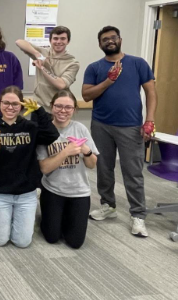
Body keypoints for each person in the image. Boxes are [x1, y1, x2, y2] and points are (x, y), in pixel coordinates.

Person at [82, 26, 157, 237]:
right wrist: (108, 81)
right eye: (105, 39)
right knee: (104, 168)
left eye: (113, 38)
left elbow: (151, 92)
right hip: (101, 125)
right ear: (100, 44)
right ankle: (108, 206)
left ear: (120, 39)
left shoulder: (137, 63)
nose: (109, 41)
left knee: (132, 171)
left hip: (131, 126)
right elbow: (86, 95)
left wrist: (149, 120)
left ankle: (138, 215)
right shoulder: (94, 67)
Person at [0, 86, 59, 248]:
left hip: (26, 193)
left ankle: (8, 219)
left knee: (22, 242)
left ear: (22, 106)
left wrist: (39, 110)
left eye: (15, 104)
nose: (10, 107)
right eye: (6, 103)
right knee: (0, 240)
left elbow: (53, 135)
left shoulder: (30, 127)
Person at [36, 91, 99, 248]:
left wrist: (87, 151)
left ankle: (64, 217)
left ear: (74, 109)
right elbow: (44, 168)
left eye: (68, 107)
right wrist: (66, 152)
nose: (62, 111)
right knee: (52, 237)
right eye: (58, 106)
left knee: (75, 243)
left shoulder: (80, 129)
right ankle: (52, 216)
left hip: (79, 192)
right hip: (53, 190)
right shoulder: (45, 130)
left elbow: (92, 164)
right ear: (52, 107)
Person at [15, 26, 80, 111]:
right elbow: (19, 42)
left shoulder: (73, 63)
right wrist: (37, 54)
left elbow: (61, 84)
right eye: (55, 38)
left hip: (58, 109)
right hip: (38, 106)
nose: (59, 42)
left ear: (68, 41)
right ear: (50, 41)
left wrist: (42, 68)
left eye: (62, 39)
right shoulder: (43, 52)